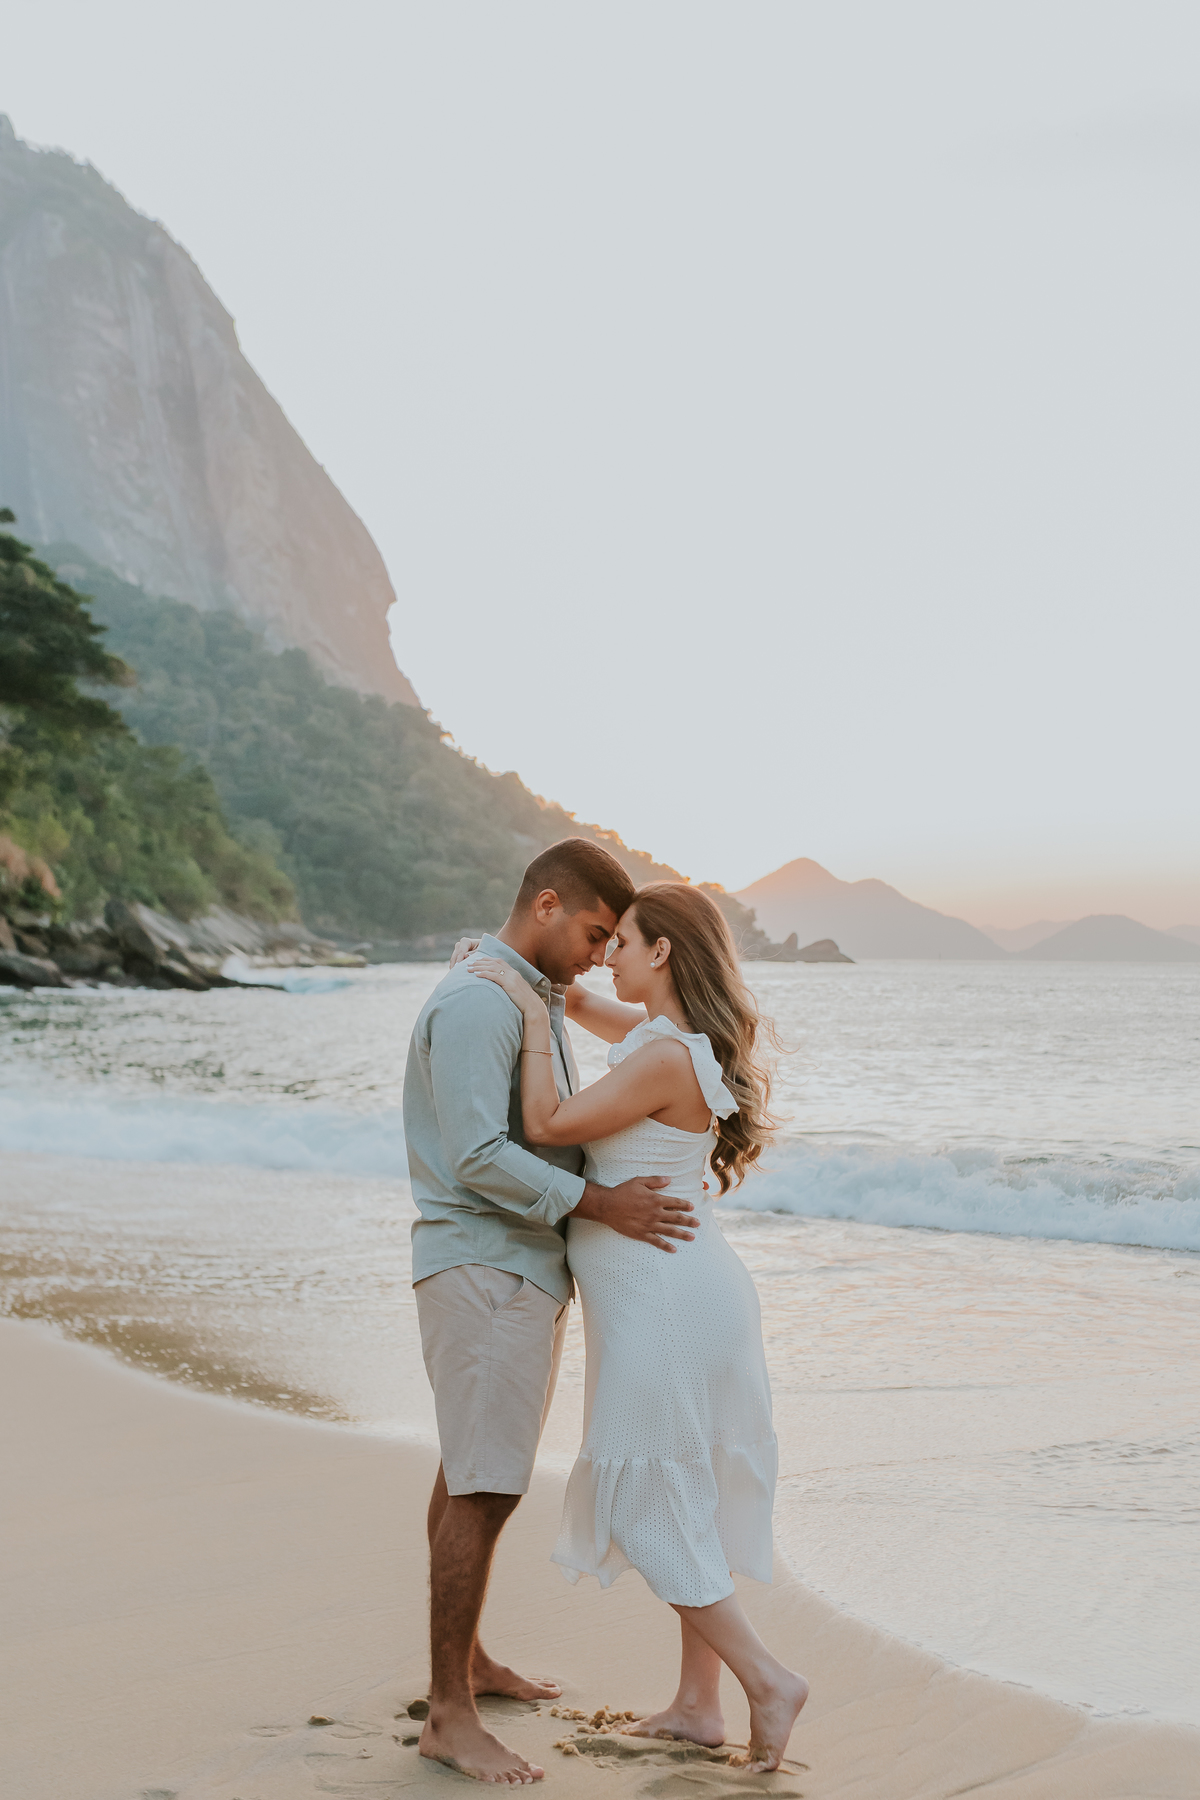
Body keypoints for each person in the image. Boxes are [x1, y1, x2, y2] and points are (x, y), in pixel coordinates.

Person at [469, 881, 807, 1774]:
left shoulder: (661, 1058)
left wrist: (528, 1016)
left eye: (619, 942)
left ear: (660, 952)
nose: (605, 957)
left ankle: (768, 1681)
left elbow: (545, 1120)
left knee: (647, 1499)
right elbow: (580, 1002)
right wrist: (517, 971)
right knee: (688, 1490)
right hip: (688, 1295)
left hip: (666, 1304)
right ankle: (698, 1706)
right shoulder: (666, 1039)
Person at [404, 839, 700, 1785]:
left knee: (472, 1468)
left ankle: (468, 1666)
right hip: (485, 1267)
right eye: (594, 933)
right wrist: (601, 1204)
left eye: (614, 941)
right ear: (545, 905)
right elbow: (476, 1155)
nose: (598, 955)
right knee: (487, 1484)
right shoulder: (483, 1001)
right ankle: (449, 1715)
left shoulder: (519, 992)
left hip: (514, 1270)